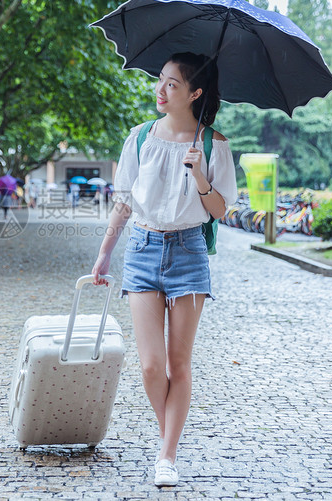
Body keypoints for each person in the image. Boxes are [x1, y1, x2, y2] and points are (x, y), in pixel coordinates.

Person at [90, 52, 237, 487]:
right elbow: (124, 201)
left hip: (189, 253)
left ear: (194, 93)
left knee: (178, 364)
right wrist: (103, 254)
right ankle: (167, 431)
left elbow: (220, 211)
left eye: (172, 84)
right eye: (160, 81)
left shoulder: (214, 145)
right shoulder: (139, 138)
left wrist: (200, 178)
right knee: (151, 367)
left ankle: (167, 454)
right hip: (142, 247)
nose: (160, 89)